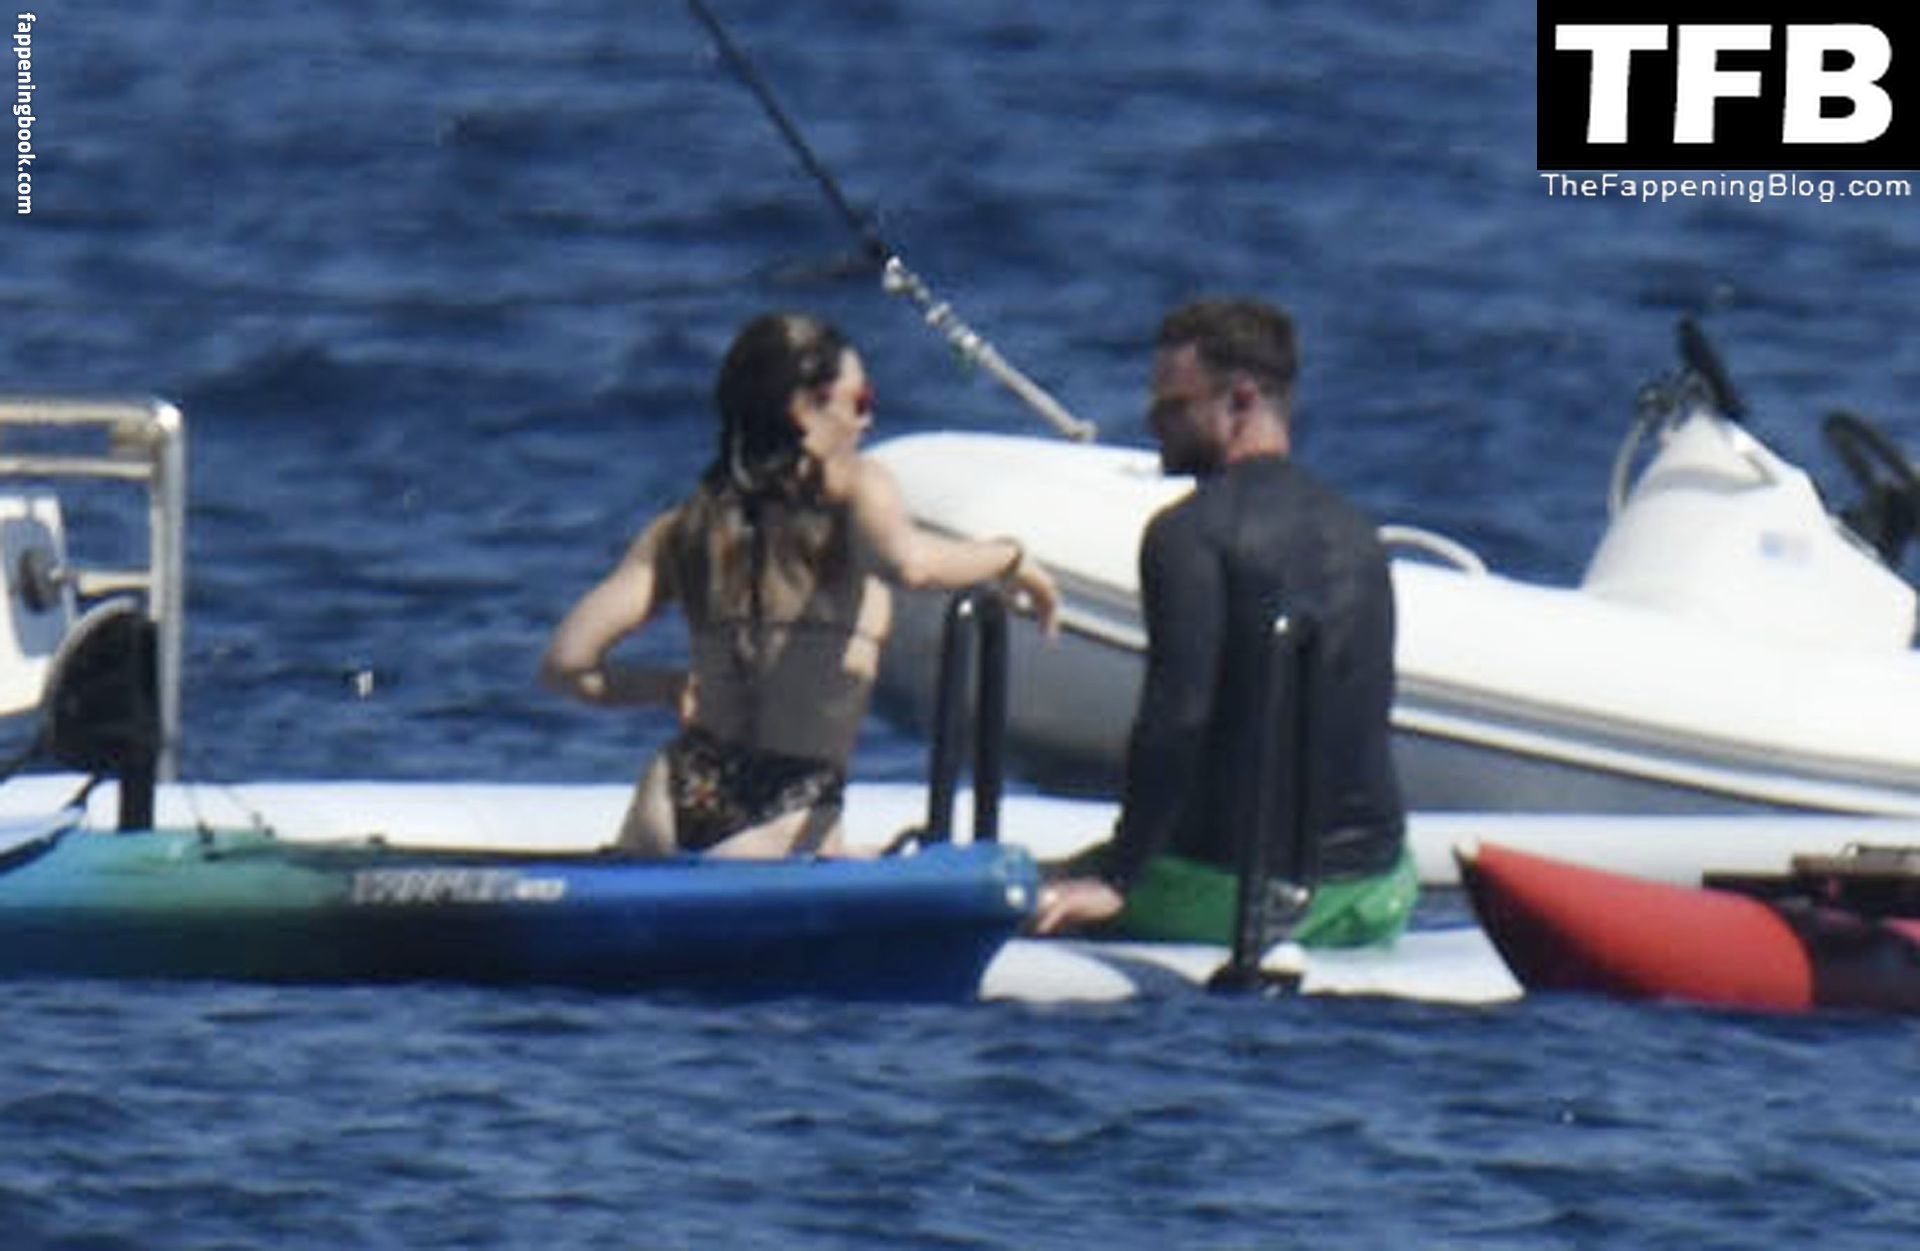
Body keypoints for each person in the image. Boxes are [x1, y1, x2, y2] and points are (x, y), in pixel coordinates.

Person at [541, 311, 1060, 859]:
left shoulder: (684, 526)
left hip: (673, 792)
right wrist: (1009, 557)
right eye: (860, 402)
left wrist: (666, 687)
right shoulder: (858, 488)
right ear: (804, 408)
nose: (867, 422)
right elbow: (909, 563)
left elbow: (565, 665)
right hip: (786, 807)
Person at [1034, 298, 1416, 947]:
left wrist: (1119, 878)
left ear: (1240, 401)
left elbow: (1177, 719)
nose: (1153, 424)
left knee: (1018, 891)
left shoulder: (1189, 534)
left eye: (1172, 406)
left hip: (1241, 901)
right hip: (1377, 890)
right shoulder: (1360, 534)